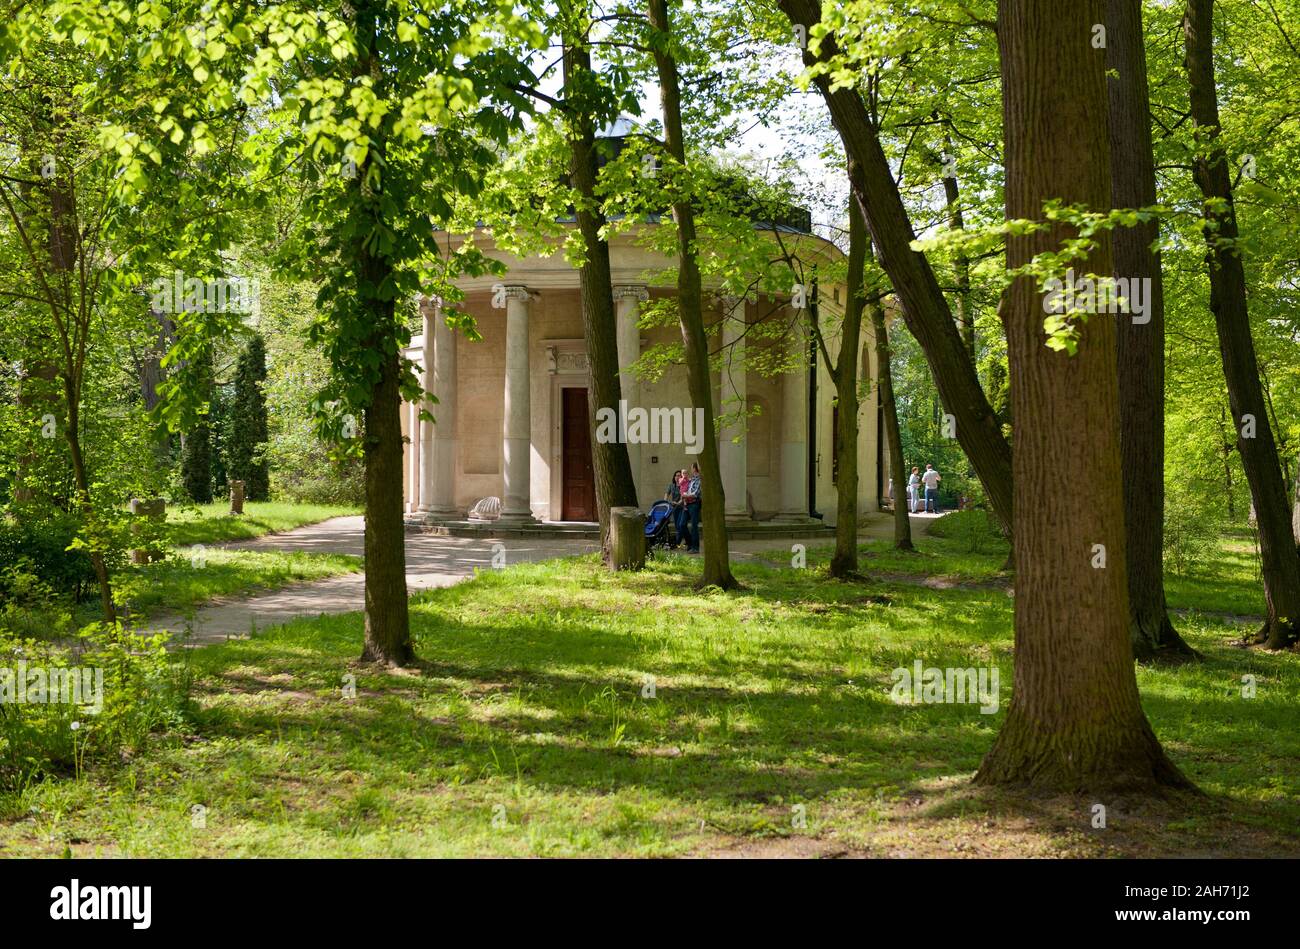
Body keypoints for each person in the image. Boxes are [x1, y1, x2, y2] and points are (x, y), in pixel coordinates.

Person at [682, 462, 702, 553]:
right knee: (682, 525)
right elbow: (687, 490)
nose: (690, 469)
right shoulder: (691, 480)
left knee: (694, 526)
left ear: (694, 468)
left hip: (694, 504)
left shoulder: (699, 480)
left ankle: (695, 547)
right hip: (687, 504)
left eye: (691, 468)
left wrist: (686, 495)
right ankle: (690, 544)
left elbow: (695, 494)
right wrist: (685, 495)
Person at [665, 469, 686, 549]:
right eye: (676, 476)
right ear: (674, 477)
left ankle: (678, 542)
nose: (677, 477)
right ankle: (681, 542)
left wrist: (678, 503)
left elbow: (682, 497)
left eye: (679, 476)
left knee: (680, 524)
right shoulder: (671, 485)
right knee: (677, 526)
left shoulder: (683, 485)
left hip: (681, 507)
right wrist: (665, 501)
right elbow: (667, 493)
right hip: (674, 508)